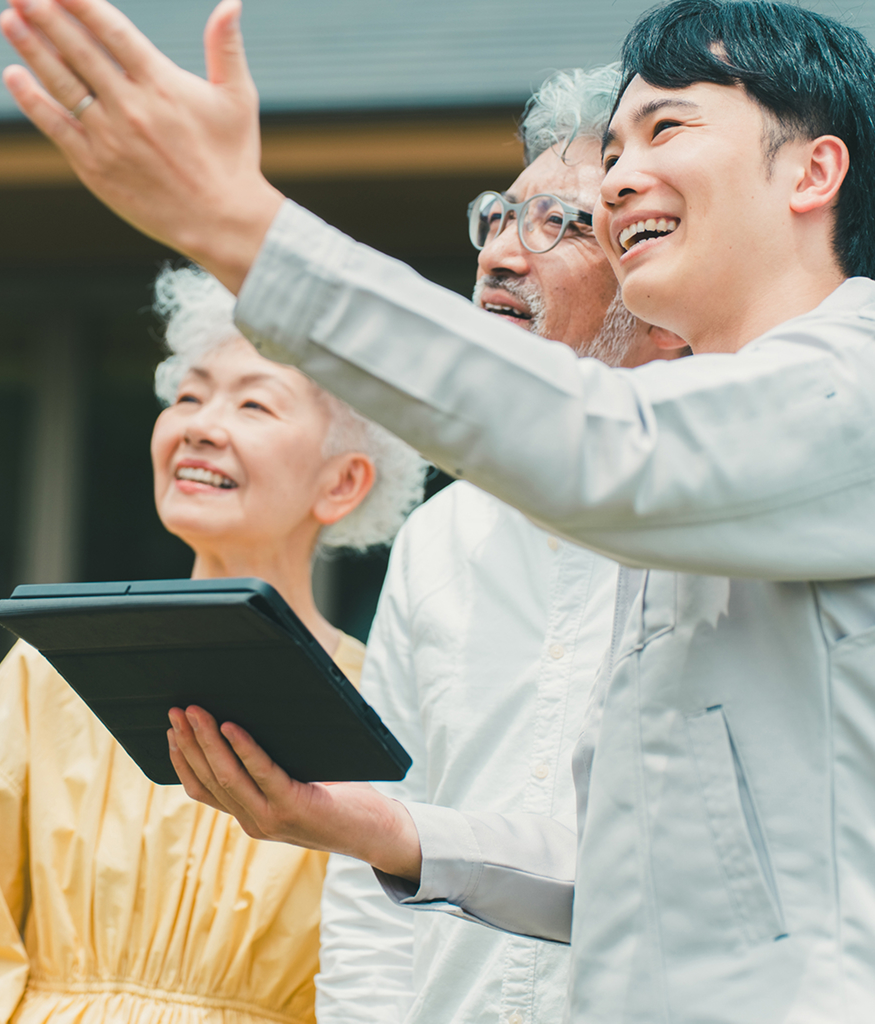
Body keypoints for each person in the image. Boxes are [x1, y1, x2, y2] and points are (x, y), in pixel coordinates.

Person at [0, 0, 875, 1020]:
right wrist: (370, 825)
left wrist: (240, 224)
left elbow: (607, 448)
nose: (618, 177)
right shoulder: (674, 480)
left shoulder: (847, 386)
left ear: (813, 171)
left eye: (666, 128)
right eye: (615, 151)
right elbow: (630, 878)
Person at [0, 265, 426, 1024]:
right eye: (188, 395)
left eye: (253, 402)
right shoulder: (59, 664)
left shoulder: (383, 704)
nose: (200, 426)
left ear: (343, 482)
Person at [317, 65, 687, 1024]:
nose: (500, 255)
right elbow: (375, 848)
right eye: (498, 217)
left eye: (560, 224)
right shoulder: (438, 535)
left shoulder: (718, 522)